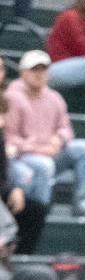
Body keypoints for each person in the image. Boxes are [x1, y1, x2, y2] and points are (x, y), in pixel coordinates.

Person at [5, 50, 85, 219]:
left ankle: (82, 202)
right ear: (23, 72)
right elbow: (9, 139)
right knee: (44, 164)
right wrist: (40, 149)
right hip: (23, 158)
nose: (39, 74)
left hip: (52, 152)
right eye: (34, 69)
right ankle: (40, 212)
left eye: (43, 69)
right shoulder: (12, 98)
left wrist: (59, 138)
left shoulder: (54, 97)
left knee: (83, 148)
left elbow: (66, 128)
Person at [0, 58, 48, 252]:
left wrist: (11, 189)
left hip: (4, 178)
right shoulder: (15, 95)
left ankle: (20, 261)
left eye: (1, 67)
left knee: (35, 209)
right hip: (17, 159)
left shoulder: (5, 99)